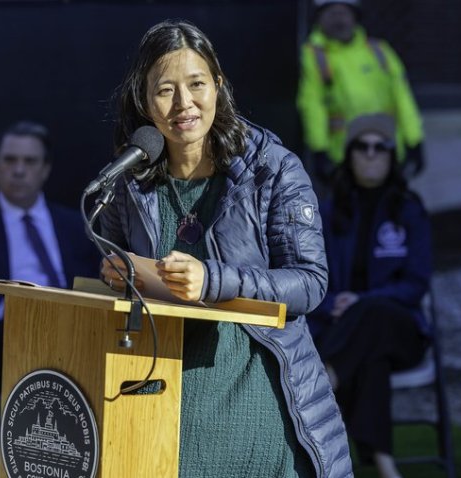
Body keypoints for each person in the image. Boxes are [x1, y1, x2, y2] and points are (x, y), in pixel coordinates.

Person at [98, 20, 351, 478]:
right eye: (165, 90)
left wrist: (212, 280)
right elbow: (126, 273)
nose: (184, 104)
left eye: (197, 84)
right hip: (156, 395)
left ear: (219, 85)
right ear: (143, 99)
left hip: (255, 388)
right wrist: (121, 275)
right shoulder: (128, 181)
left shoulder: (272, 169)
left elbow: (310, 283)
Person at [308, 114, 431, 478]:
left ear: (393, 156)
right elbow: (313, 278)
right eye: (363, 146)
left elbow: (416, 283)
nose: (372, 154)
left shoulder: (409, 210)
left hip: (400, 328)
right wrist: (336, 304)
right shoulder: (329, 212)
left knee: (373, 311)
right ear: (350, 154)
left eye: (382, 147)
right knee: (369, 358)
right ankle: (383, 463)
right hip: (344, 327)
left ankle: (324, 378)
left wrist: (363, 300)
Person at [0, 121, 99, 392]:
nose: (18, 170)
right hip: (3, 332)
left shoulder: (76, 225)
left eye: (29, 161)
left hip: (70, 327)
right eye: (10, 160)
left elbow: (94, 285)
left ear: (45, 169)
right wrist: (6, 305)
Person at [297, 0, 425, 182]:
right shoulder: (315, 55)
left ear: (355, 17)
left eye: (343, 13)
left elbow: (402, 96)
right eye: (331, 13)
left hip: (387, 149)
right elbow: (311, 104)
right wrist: (319, 149)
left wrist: (415, 140)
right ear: (319, 19)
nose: (338, 20)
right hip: (343, 156)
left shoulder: (379, 50)